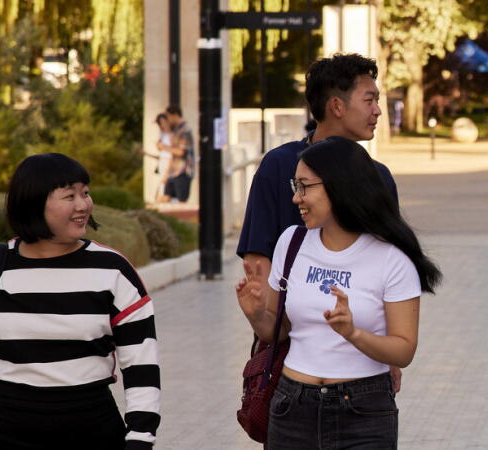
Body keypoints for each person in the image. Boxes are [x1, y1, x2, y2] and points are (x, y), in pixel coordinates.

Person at [0, 153, 160, 450]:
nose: (83, 205)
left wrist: (140, 440)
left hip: (91, 432)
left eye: (85, 193)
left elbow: (142, 364)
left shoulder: (113, 270)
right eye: (69, 195)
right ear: (34, 203)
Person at [234, 137, 443, 448]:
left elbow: (403, 351)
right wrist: (255, 314)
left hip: (364, 412)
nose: (296, 198)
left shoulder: (392, 259)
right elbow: (279, 331)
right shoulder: (291, 243)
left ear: (339, 186)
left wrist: (353, 333)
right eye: (295, 186)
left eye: (305, 186)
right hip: (292, 406)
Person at [237, 53, 402, 325]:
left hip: (362, 346)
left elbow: (390, 264)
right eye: (369, 100)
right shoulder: (279, 166)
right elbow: (258, 262)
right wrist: (278, 329)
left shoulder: (379, 177)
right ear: (337, 106)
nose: (378, 111)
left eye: (377, 101)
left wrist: (386, 343)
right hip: (290, 343)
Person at [162, 107, 195, 203]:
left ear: (175, 115)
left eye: (168, 116)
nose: (167, 119)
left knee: (181, 201)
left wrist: (164, 147)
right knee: (166, 198)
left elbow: (181, 152)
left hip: (183, 171)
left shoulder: (185, 130)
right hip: (174, 171)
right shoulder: (177, 130)